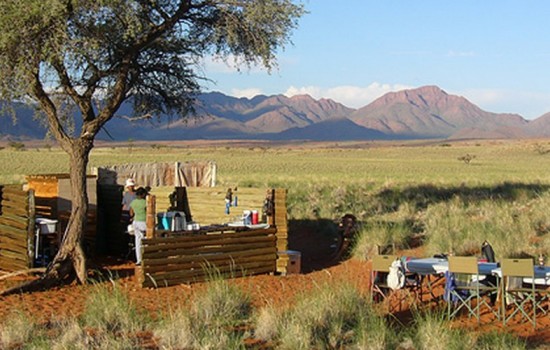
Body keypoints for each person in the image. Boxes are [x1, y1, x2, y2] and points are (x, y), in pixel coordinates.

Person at [129, 187, 147, 265]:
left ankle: (139, 260)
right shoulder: (145, 202)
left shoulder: (133, 202)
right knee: (146, 241)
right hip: (144, 222)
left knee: (138, 241)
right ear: (143, 194)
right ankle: (145, 258)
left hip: (136, 222)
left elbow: (131, 213)